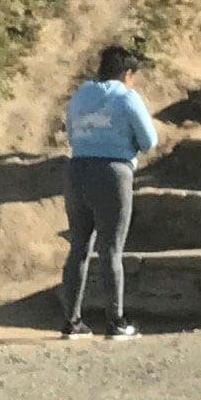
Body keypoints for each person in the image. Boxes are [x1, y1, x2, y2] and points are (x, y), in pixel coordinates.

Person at [60, 44, 157, 341]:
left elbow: (72, 133)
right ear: (127, 73)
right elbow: (148, 139)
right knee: (111, 249)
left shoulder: (79, 96)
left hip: (77, 170)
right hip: (113, 172)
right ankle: (115, 321)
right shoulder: (127, 97)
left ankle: (72, 321)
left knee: (78, 246)